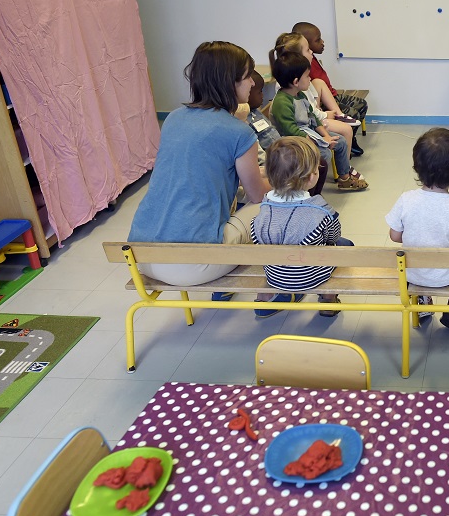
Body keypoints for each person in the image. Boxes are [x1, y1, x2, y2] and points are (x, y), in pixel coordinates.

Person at [128, 41, 270, 287]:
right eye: (247, 76)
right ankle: (286, 281)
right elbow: (257, 194)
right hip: (193, 266)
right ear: (230, 82)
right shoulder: (239, 133)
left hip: (143, 258)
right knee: (271, 205)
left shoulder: (173, 119)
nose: (253, 83)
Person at [386, 128, 449, 329]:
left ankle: (423, 303)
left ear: (417, 167)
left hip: (412, 274)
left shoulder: (406, 200)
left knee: (412, 252)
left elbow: (395, 236)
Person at [250, 136, 349, 318]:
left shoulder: (264, 206)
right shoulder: (320, 208)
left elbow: (256, 234)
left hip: (276, 275)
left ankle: (265, 297)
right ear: (312, 177)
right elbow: (333, 236)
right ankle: (328, 299)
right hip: (311, 274)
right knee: (345, 245)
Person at [268, 48, 368, 191]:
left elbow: (313, 118)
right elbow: (292, 131)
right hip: (295, 142)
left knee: (340, 142)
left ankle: (344, 178)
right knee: (324, 154)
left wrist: (326, 136)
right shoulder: (282, 102)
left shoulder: (299, 95)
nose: (310, 79)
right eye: (307, 76)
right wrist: (320, 142)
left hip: (310, 133)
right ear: (296, 81)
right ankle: (313, 190)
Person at [236, 69, 328, 196]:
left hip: (281, 152)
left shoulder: (256, 114)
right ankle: (302, 199)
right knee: (308, 168)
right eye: (259, 92)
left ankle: (310, 198)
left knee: (319, 163)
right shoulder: (243, 120)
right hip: (275, 161)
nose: (263, 96)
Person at [273, 32, 360, 159]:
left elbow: (310, 108)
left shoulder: (300, 82)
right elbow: (296, 124)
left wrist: (323, 128)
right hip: (307, 127)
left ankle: (339, 115)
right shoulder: (288, 90)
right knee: (346, 130)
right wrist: (325, 117)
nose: (311, 52)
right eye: (308, 50)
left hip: (313, 120)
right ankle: (344, 168)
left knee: (319, 83)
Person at [293, 22, 367, 158]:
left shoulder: (311, 60)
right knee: (353, 113)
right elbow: (310, 107)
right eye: (317, 40)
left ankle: (350, 141)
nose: (322, 42)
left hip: (328, 99)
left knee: (361, 104)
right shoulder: (302, 73)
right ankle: (347, 149)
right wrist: (325, 114)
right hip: (320, 111)